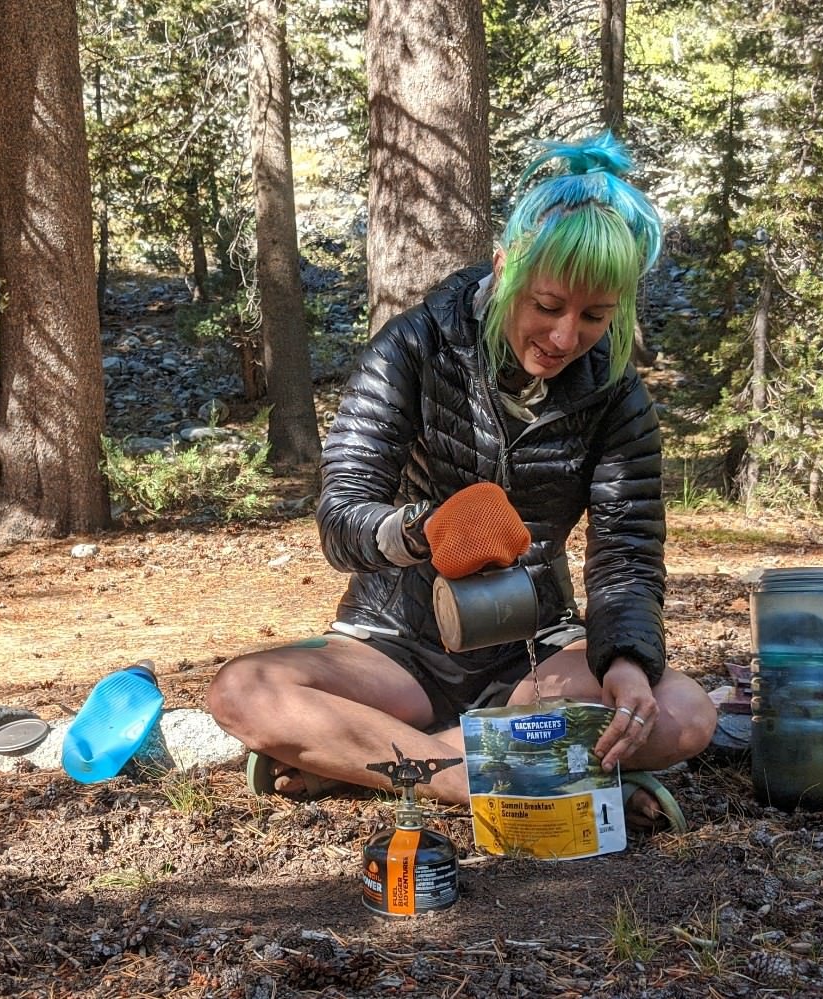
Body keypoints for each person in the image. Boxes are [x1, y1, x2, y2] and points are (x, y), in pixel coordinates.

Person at [208, 132, 716, 829]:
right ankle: (478, 776)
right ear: (507, 267)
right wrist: (418, 531)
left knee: (688, 715)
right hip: (396, 645)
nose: (566, 337)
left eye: (595, 316)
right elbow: (341, 514)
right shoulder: (414, 346)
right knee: (241, 691)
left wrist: (626, 660)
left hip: (536, 655)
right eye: (548, 304)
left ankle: (388, 763)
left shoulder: (617, 396)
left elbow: (626, 556)